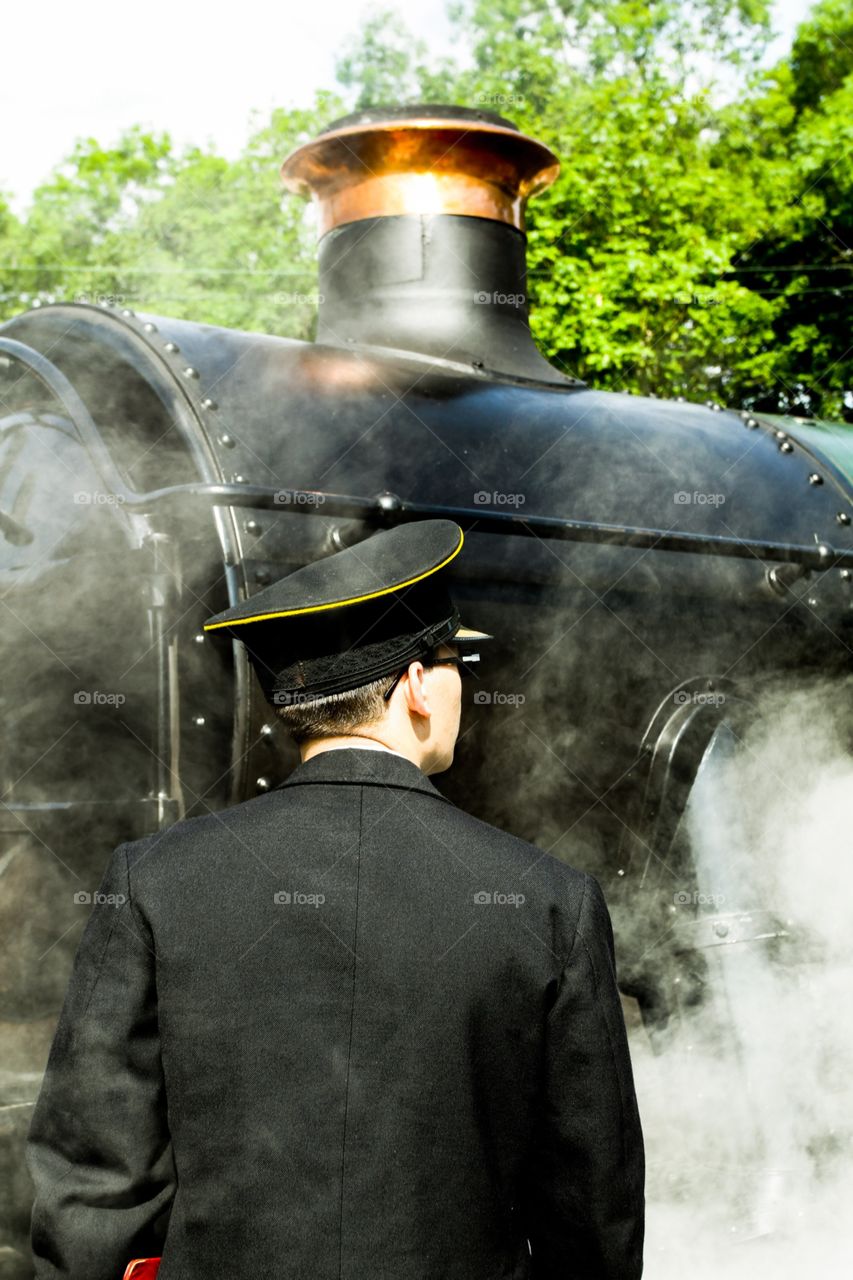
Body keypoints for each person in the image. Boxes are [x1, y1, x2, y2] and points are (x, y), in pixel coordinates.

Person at [26, 519, 645, 1279]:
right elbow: (590, 1214)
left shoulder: (150, 881)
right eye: (458, 661)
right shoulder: (551, 902)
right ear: (417, 684)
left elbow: (93, 1187)